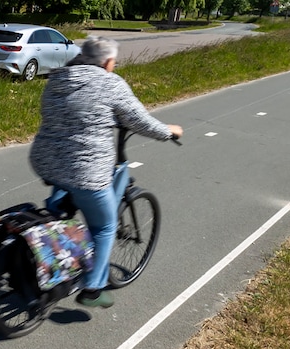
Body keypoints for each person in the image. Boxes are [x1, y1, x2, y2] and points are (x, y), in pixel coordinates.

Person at [28, 36, 182, 309]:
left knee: (66, 189)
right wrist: (168, 131)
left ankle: (56, 222)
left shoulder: (58, 78)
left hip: (46, 161)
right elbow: (139, 120)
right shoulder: (110, 83)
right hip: (85, 171)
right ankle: (93, 288)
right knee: (104, 226)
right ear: (108, 62)